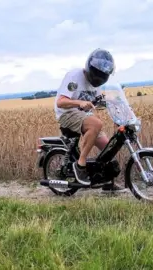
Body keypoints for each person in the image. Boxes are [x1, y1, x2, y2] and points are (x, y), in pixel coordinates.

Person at [54, 48, 127, 193]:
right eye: (97, 75)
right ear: (90, 68)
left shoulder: (97, 85)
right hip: (66, 114)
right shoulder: (74, 77)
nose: (98, 80)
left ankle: (108, 184)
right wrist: (79, 103)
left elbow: (98, 102)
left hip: (85, 117)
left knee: (108, 148)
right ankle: (80, 165)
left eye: (102, 76)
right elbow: (61, 102)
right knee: (96, 123)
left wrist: (118, 110)